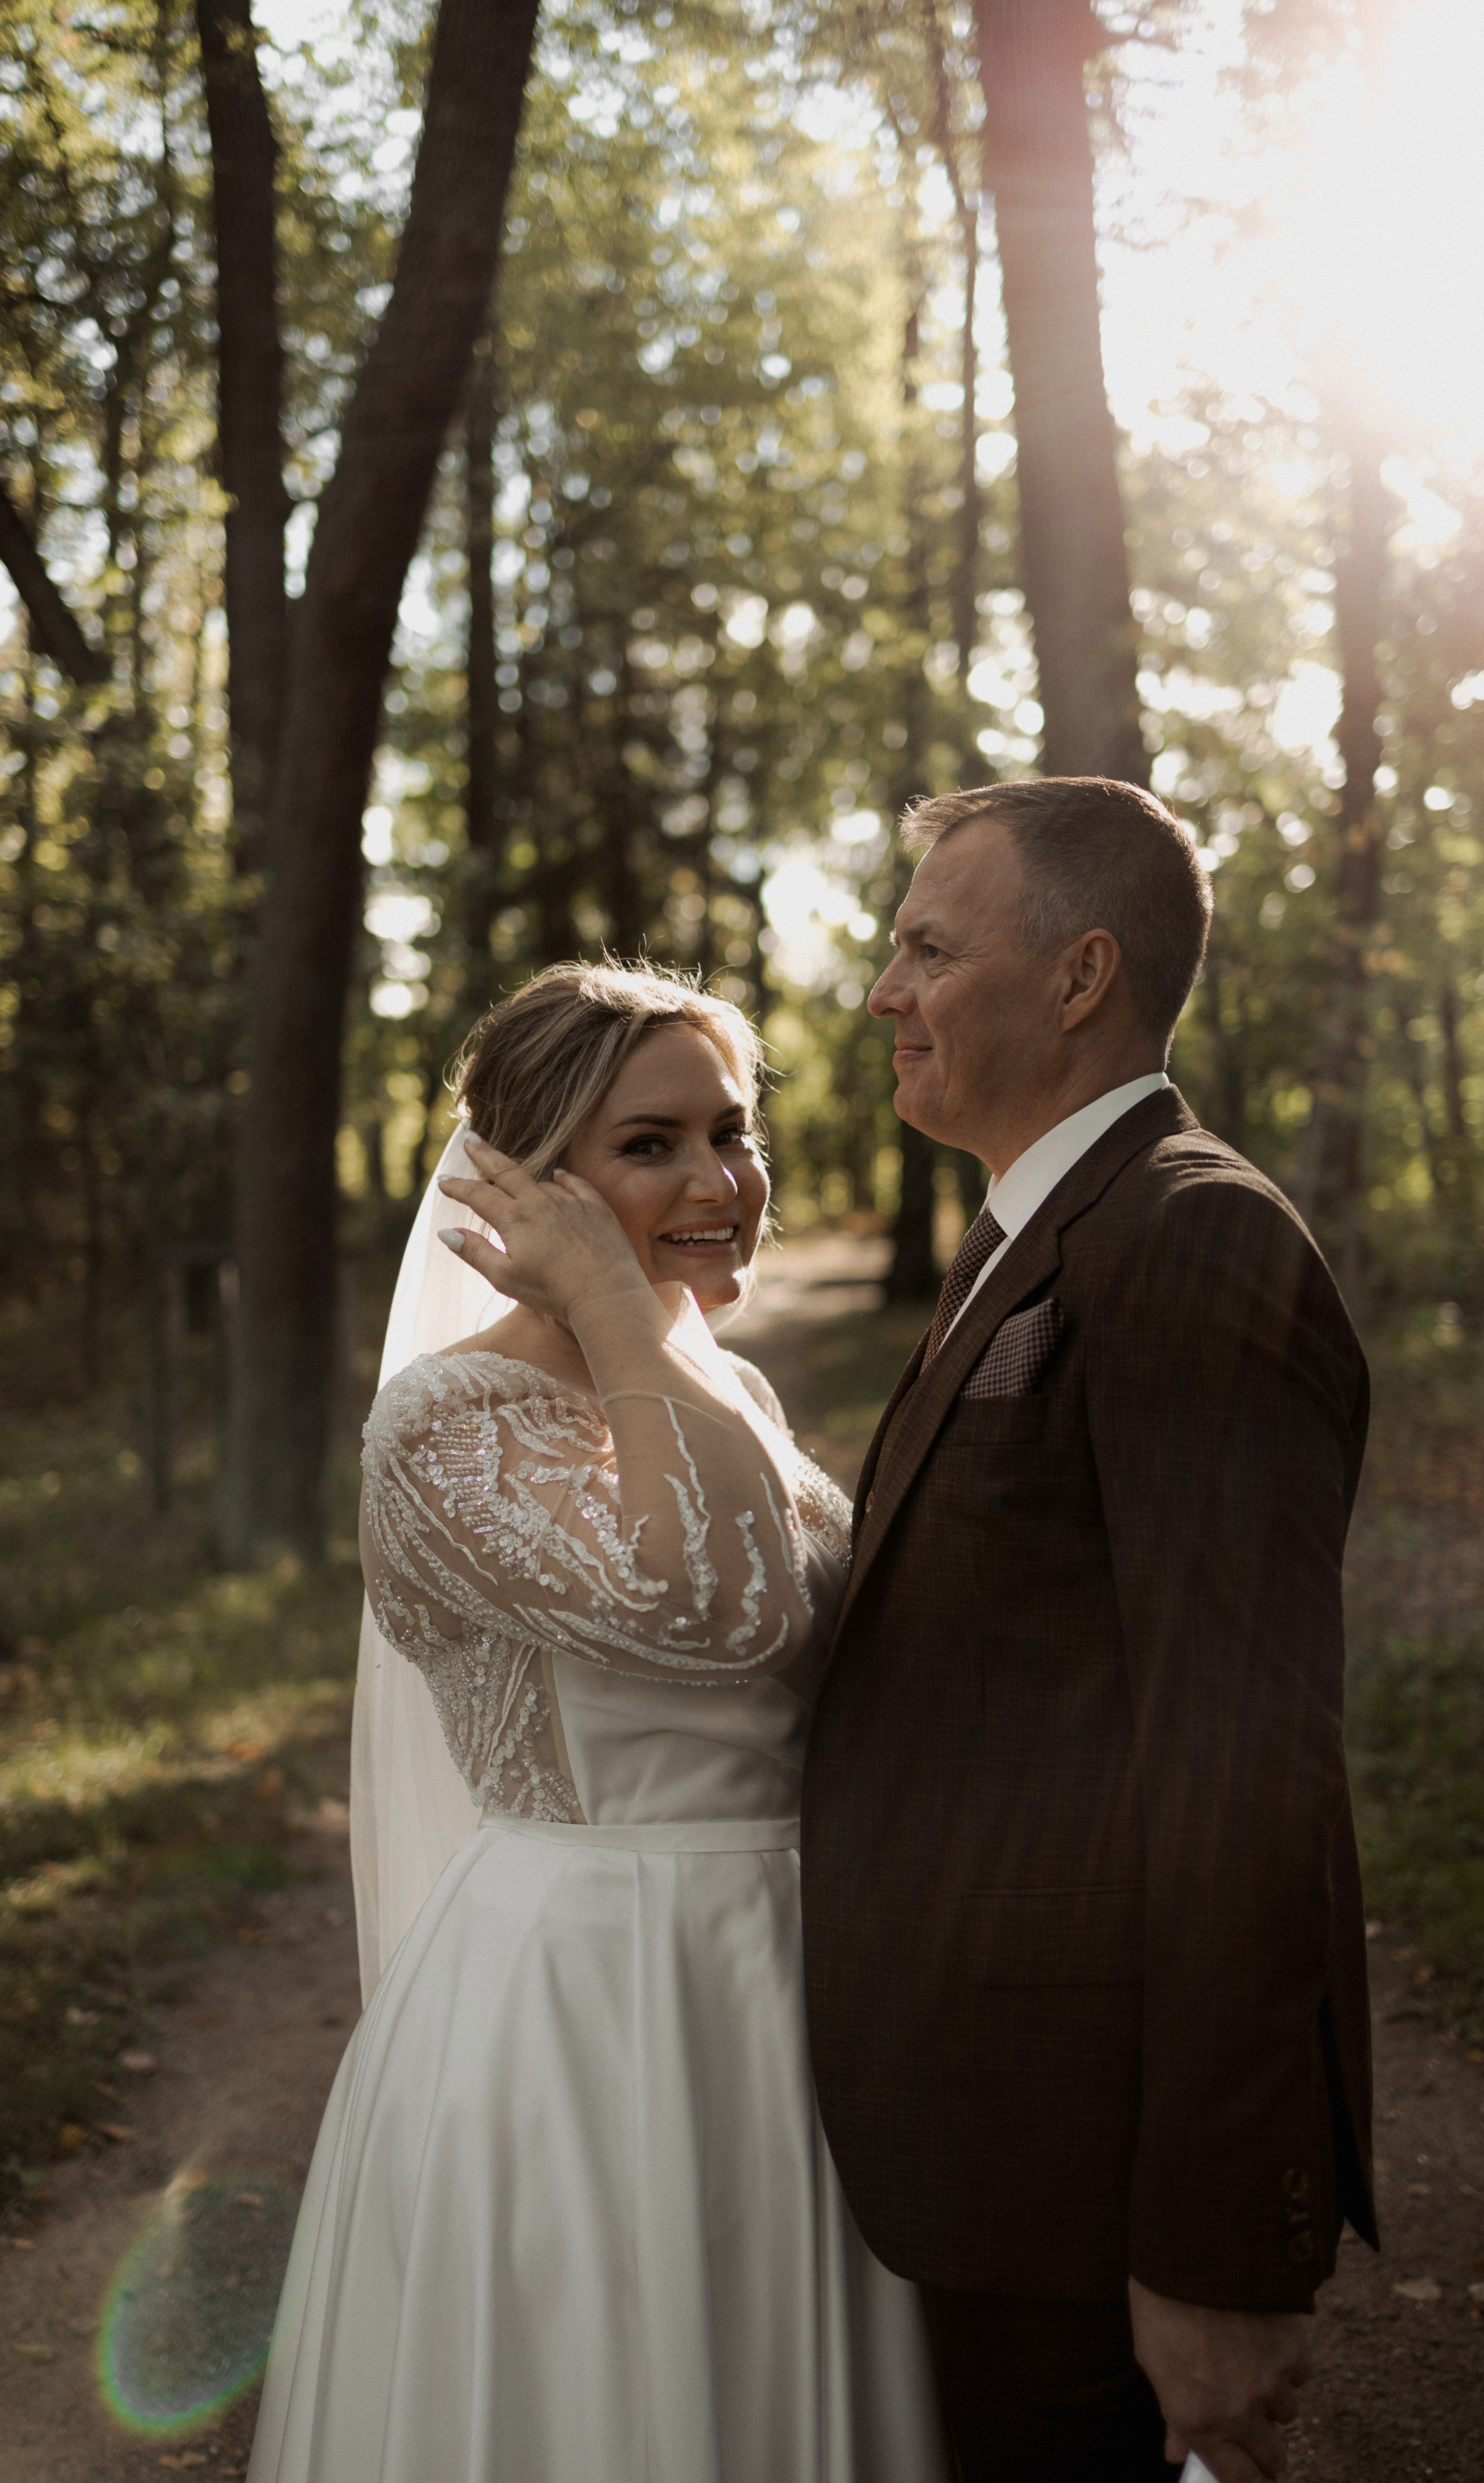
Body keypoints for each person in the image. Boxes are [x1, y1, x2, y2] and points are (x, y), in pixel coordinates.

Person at [248, 961, 947, 2483]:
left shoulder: (723, 1392)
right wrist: (624, 1326)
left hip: (789, 1983)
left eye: (733, 1131)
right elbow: (715, 1610)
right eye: (651, 1145)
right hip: (584, 1997)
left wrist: (652, 1348)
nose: (722, 1180)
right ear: (532, 1188)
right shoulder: (441, 1430)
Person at [800, 778, 1376, 2483]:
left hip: (1077, 2181)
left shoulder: (1192, 1240)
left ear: (1077, 976)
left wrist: (1215, 2251)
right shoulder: (1032, 1232)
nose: (884, 991)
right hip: (964, 2152)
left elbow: (1246, 1772)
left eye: (924, 946)